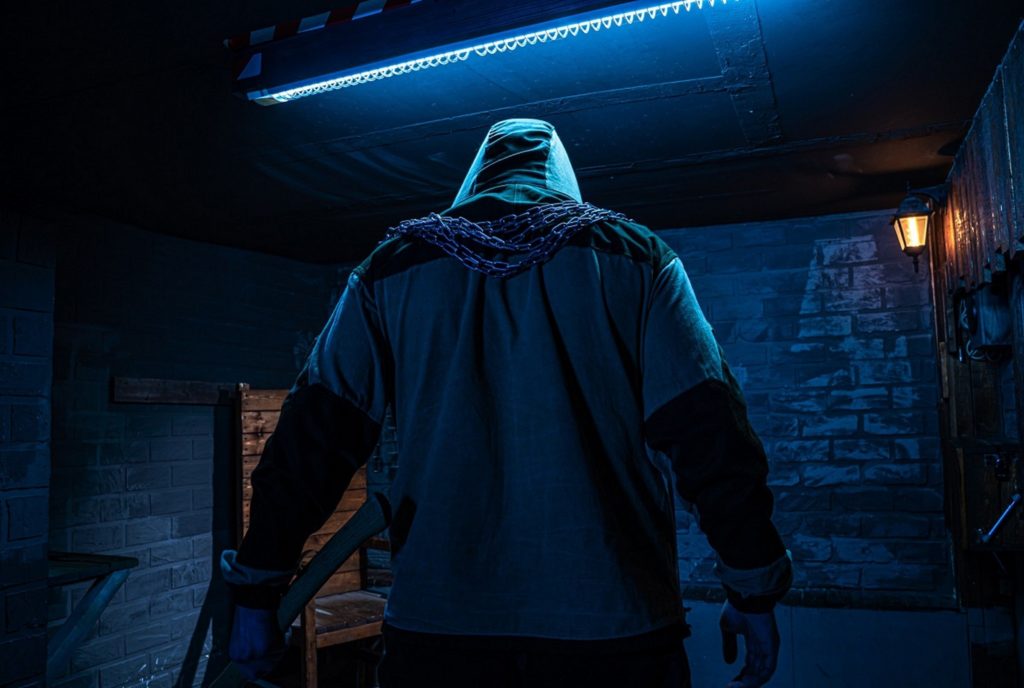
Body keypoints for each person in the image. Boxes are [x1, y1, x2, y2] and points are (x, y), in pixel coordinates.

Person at [221, 118, 793, 688]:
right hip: (611, 623)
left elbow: (314, 439)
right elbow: (708, 431)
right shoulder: (640, 259)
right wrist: (752, 585)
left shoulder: (391, 269)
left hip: (441, 627)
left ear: (477, 177)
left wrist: (257, 590)